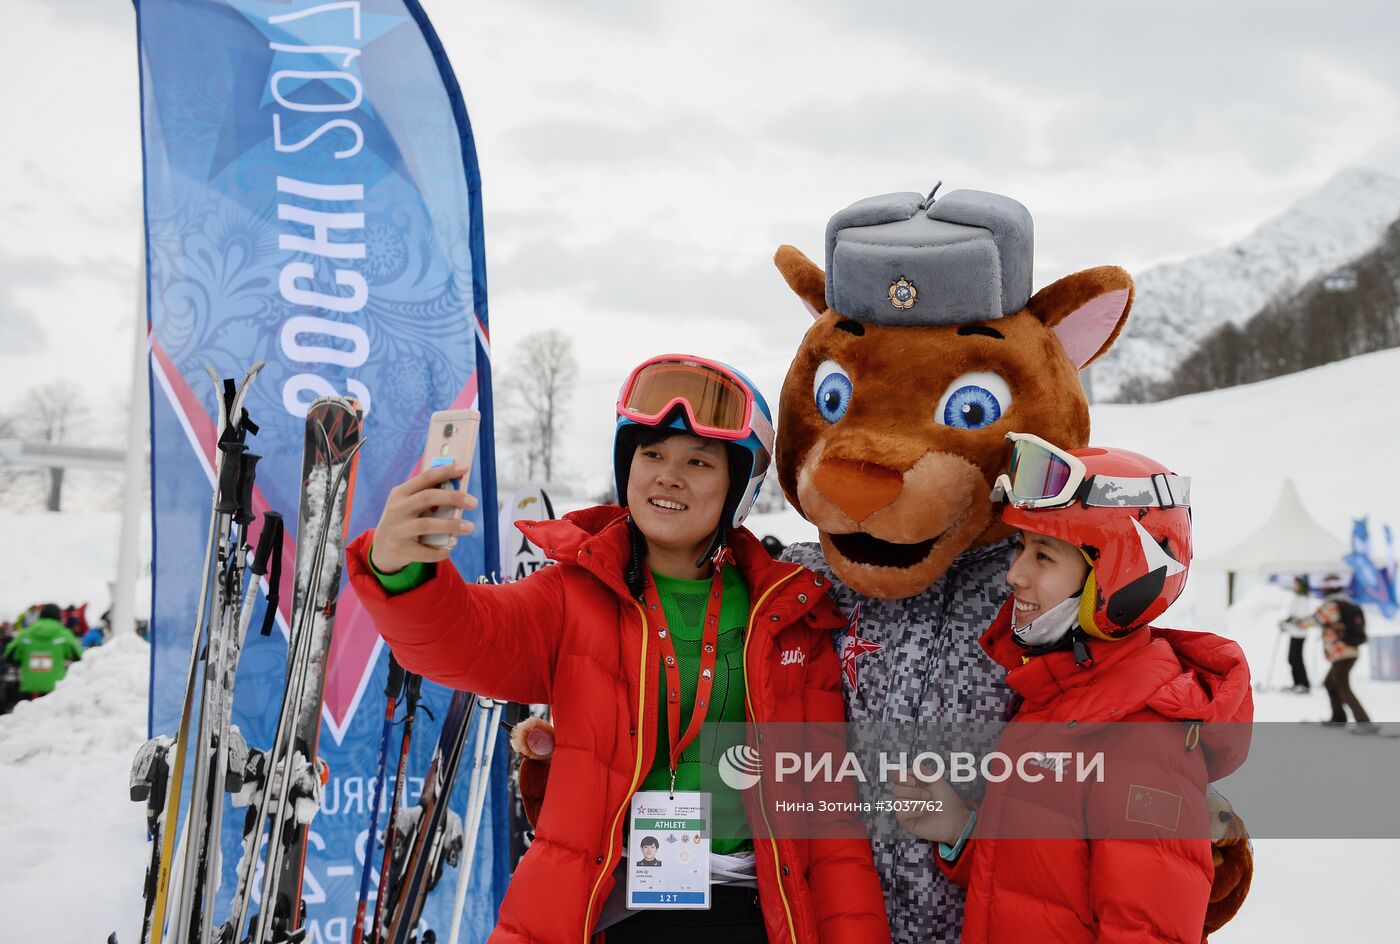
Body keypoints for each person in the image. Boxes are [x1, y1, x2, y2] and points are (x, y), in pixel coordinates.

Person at [347, 353, 891, 943]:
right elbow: (462, 639)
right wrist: (398, 566)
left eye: (699, 461)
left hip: (755, 914)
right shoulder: (572, 596)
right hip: (603, 911)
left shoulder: (789, 619)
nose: (667, 475)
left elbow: (831, 828)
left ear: (739, 484)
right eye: (651, 453)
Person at [890, 435, 1252, 944]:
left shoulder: (1143, 741)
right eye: (1020, 547)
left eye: (1044, 555)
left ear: (1117, 576)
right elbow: (1044, 893)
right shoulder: (1062, 701)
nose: (1014, 574)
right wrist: (961, 831)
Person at [1314, 592, 1377, 734]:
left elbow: (1315, 619)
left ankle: (1364, 722)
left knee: (1342, 686)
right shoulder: (1348, 604)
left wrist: (1292, 623)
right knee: (1330, 683)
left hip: (1342, 653)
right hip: (1349, 652)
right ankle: (1338, 718)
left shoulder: (1332, 606)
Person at [2, 603, 84, 699]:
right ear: (59, 617)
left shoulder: (25, 633)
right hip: (55, 689)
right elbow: (80, 656)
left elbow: (9, 654)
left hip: (30, 689)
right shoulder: (64, 634)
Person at [1280, 575, 1313, 693]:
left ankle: (1303, 684)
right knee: (1293, 658)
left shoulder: (1304, 599)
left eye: (1296, 584)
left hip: (1299, 633)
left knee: (1295, 658)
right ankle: (1298, 683)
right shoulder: (1297, 598)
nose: (1294, 587)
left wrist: (1290, 621)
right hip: (1294, 633)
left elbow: (1301, 618)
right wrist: (1286, 623)